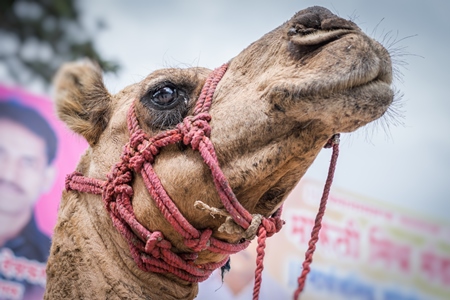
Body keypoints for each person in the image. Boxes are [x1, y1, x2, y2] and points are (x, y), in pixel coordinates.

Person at [0, 100, 57, 300]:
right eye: (1, 154)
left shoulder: (57, 264)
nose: (8, 174)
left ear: (47, 178)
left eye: (27, 162)